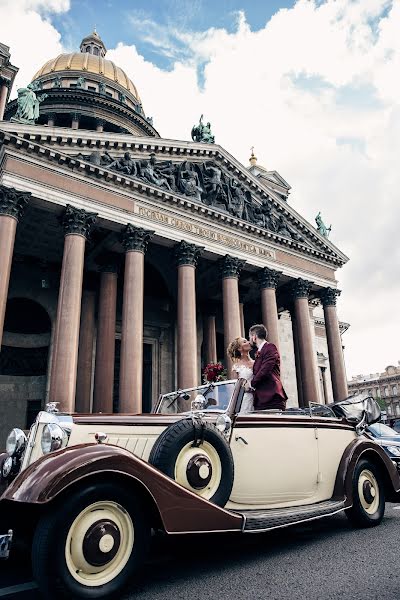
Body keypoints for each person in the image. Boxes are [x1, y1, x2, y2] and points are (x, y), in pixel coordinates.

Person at [249, 324, 287, 411]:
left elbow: (265, 369)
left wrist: (251, 383)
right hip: (261, 399)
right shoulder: (259, 351)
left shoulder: (270, 347)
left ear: (254, 337)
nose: (249, 340)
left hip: (272, 396)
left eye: (250, 337)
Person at [227, 337, 254, 412]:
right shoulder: (236, 367)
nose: (248, 342)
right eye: (245, 342)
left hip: (258, 398)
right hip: (245, 399)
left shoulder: (256, 363)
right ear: (239, 348)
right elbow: (235, 389)